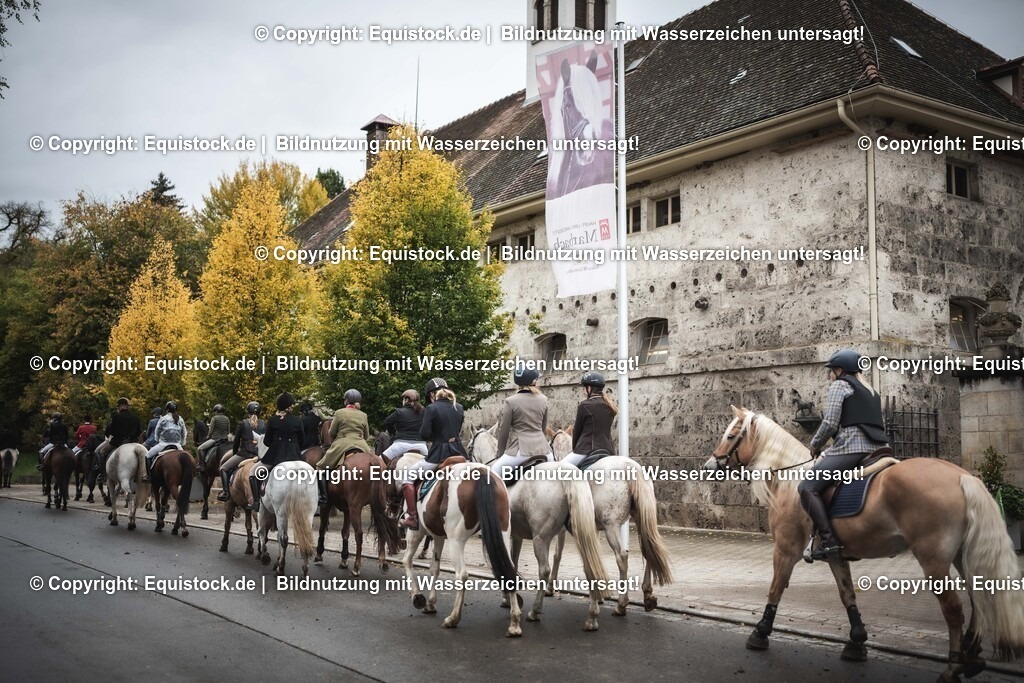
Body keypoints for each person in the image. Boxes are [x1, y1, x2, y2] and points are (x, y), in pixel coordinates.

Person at [800, 349, 890, 560]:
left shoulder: (840, 385)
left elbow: (830, 423)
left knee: (807, 487)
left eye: (831, 371)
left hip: (852, 448)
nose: (830, 375)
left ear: (839, 370)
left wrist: (814, 445)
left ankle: (829, 543)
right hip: (878, 449)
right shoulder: (871, 391)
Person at [400, 378, 467, 530]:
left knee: (408, 477)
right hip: (459, 453)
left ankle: (412, 517)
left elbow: (424, 434)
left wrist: (435, 436)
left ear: (431, 395)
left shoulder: (431, 408)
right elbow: (456, 430)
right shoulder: (460, 407)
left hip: (439, 455)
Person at [490, 367, 553, 481]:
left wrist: (500, 453)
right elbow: (543, 428)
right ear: (533, 381)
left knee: (492, 474)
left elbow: (504, 431)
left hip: (520, 451)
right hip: (544, 450)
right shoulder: (544, 399)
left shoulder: (511, 401)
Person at [315, 390, 372, 506]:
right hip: (361, 444)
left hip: (342, 443)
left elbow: (331, 433)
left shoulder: (339, 413)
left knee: (320, 467)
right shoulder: (363, 414)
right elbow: (366, 435)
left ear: (346, 400)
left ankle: (324, 498)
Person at [250, 393, 304, 513]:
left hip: (276, 456)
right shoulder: (297, 420)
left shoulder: (273, 420)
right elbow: (302, 440)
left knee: (253, 472)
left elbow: (267, 442)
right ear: (289, 406)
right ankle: (321, 496)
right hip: (295, 456)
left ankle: (256, 501)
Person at [563, 372, 618, 467]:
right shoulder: (610, 405)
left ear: (589, 388)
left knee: (557, 470)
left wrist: (575, 449)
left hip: (586, 449)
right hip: (608, 449)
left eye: (584, 388)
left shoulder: (585, 405)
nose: (583, 392)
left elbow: (577, 431)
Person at [218, 402, 264, 503]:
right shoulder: (264, 424)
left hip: (244, 454)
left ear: (248, 411)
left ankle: (226, 492)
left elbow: (236, 442)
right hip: (258, 455)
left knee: (223, 468)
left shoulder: (243, 423)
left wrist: (235, 454)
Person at [97, 397, 142, 483]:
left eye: (118, 406)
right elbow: (138, 432)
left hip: (118, 442)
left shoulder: (116, 417)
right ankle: (145, 474)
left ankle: (103, 474)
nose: (118, 408)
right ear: (127, 406)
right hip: (133, 442)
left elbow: (112, 432)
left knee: (101, 453)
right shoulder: (136, 417)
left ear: (121, 405)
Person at [142, 401, 187, 483]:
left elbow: (157, 431)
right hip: (177, 445)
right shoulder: (180, 419)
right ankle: (185, 476)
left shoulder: (163, 419)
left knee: (147, 456)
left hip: (163, 444)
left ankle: (149, 476)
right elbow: (184, 433)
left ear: (167, 410)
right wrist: (182, 443)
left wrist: (157, 440)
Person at [381, 390, 428, 463]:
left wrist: (393, 433)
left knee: (379, 461)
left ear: (406, 400)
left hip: (401, 445)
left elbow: (387, 422)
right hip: (421, 446)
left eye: (403, 399)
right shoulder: (424, 412)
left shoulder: (399, 411)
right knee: (432, 465)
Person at [196, 404, 231, 473]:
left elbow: (211, 431)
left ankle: (202, 465)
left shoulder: (214, 418)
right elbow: (228, 431)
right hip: (225, 439)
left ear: (217, 411)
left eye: (215, 411)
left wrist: (208, 437)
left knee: (200, 448)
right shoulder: (227, 418)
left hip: (215, 439)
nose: (214, 413)